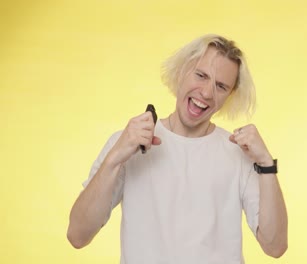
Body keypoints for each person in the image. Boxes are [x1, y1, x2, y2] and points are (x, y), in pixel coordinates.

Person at [67, 34, 288, 263]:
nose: (206, 93)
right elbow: (78, 235)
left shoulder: (237, 153)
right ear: (182, 71)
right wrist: (114, 158)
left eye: (221, 86)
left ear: (230, 96)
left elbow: (275, 246)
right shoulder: (127, 143)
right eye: (201, 75)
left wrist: (266, 164)